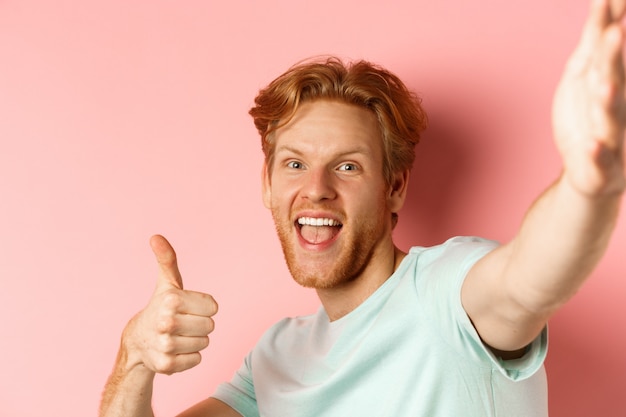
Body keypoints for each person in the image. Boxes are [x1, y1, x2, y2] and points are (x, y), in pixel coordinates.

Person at [99, 0, 626, 416]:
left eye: (347, 166)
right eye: (295, 164)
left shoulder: (444, 292)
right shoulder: (278, 355)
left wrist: (588, 183)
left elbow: (528, 280)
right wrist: (135, 356)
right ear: (267, 184)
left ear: (394, 188)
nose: (318, 189)